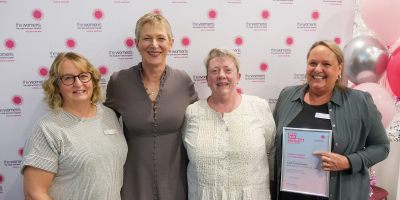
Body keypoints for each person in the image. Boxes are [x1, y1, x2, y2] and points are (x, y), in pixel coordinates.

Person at [272, 40, 390, 200]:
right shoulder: (287, 96)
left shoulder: (359, 101)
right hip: (290, 194)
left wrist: (348, 161)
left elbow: (381, 147)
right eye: (312, 63)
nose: (318, 69)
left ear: (339, 68)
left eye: (326, 64)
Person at [104, 13, 198, 200]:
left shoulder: (183, 81)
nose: (154, 45)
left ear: (171, 44)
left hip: (176, 183)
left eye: (161, 38)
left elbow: (200, 127)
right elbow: (104, 130)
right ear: (137, 43)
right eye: (147, 38)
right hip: (132, 183)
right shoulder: (118, 82)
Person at [21, 52, 128, 200]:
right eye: (68, 78)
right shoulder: (47, 129)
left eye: (83, 75)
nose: (78, 83)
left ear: (93, 79)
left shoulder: (109, 116)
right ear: (57, 86)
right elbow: (34, 193)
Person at [182, 47, 276, 200]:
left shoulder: (259, 107)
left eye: (227, 70)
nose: (221, 75)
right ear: (206, 79)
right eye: (214, 71)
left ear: (238, 77)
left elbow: (271, 154)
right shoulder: (191, 113)